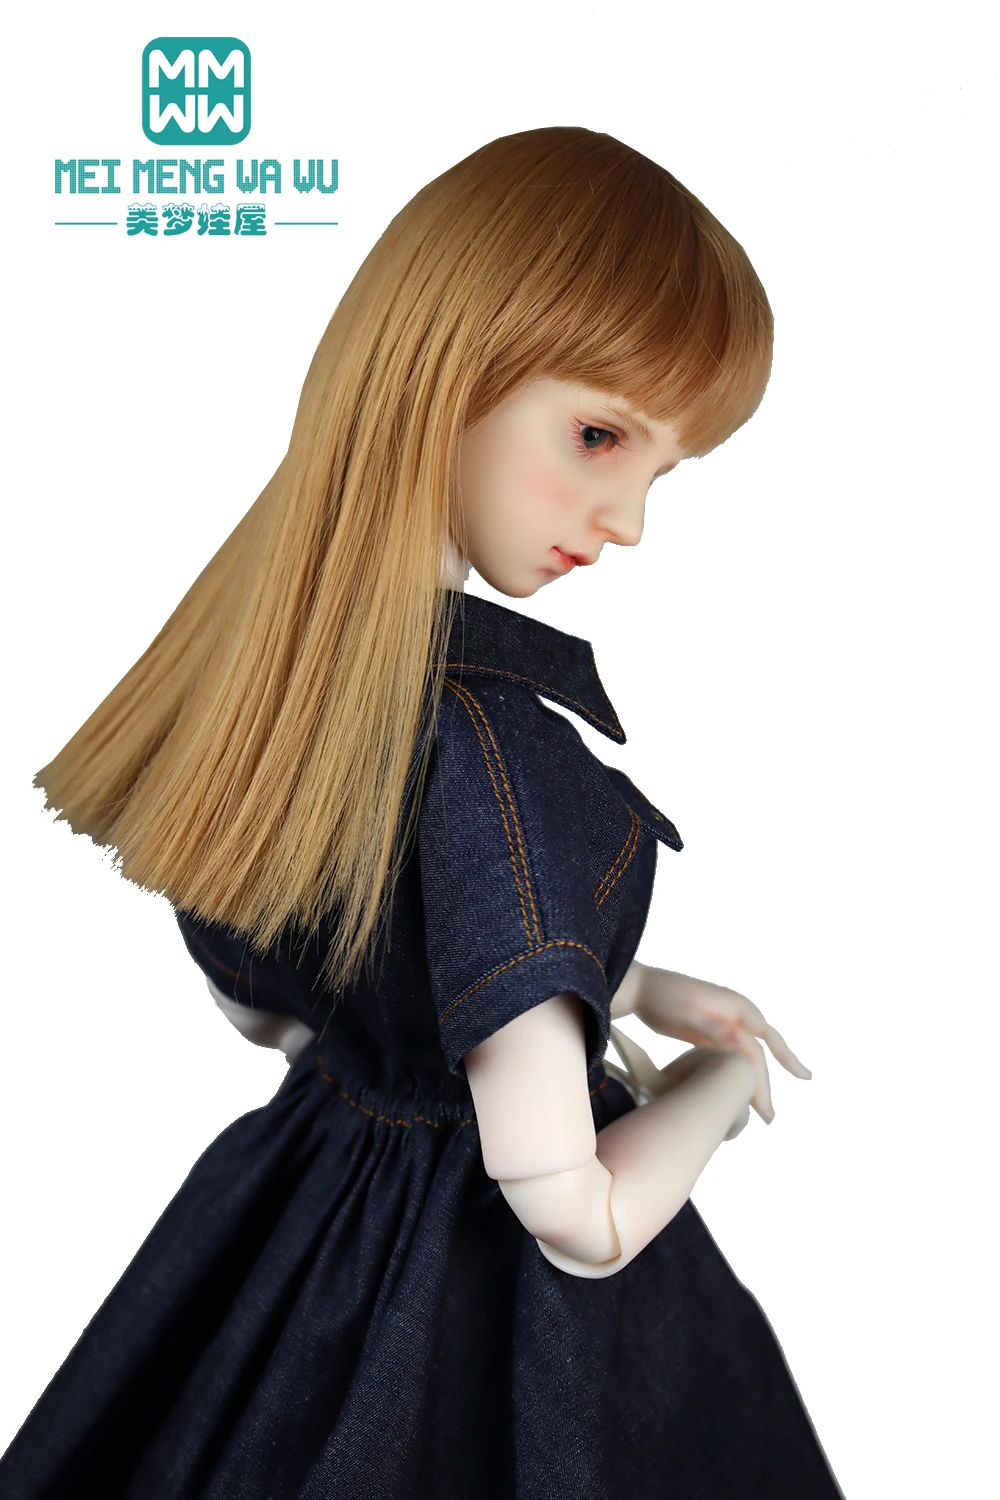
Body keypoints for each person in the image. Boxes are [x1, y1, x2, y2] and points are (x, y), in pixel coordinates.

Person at [1, 126, 843, 1497]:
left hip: (300, 1223)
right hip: (481, 1317)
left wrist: (627, 983)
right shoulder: (496, 755)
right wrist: (718, 1086)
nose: (627, 519)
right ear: (444, 370)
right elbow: (580, 1216)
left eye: (659, 471)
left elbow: (292, 998)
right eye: (597, 435)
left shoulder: (298, 692)